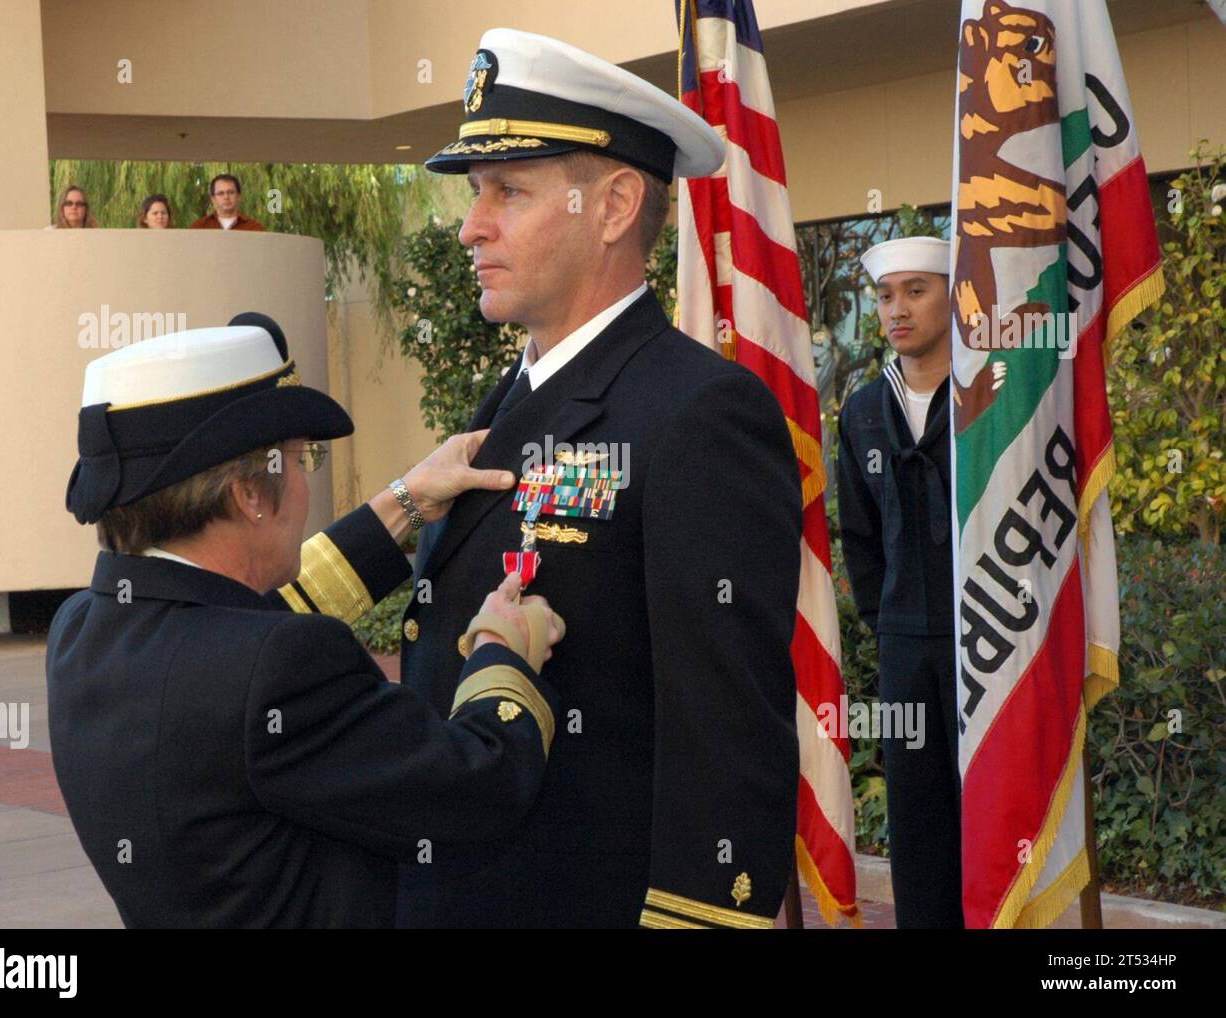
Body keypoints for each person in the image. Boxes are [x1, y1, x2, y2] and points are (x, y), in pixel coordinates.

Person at [391, 29, 803, 929]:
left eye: (509, 191)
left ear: (614, 206)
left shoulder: (699, 414)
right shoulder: (511, 396)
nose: (472, 225)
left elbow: (726, 733)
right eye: (474, 195)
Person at [47, 312, 565, 928]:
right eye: (299, 462)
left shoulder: (80, 628)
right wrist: (501, 652)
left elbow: (237, 621)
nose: (304, 484)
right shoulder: (275, 668)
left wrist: (406, 502)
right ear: (249, 494)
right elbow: (475, 789)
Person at [835, 235, 963, 928]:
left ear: (953, 293)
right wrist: (887, 618)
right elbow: (858, 533)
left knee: (990, 804)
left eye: (916, 290)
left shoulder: (990, 398)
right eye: (886, 296)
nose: (897, 310)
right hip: (903, 646)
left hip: (988, 631)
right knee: (916, 815)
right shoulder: (859, 413)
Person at [189, 174, 265, 230]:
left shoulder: (254, 228)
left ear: (239, 197)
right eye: (220, 193)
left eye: (231, 192)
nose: (226, 197)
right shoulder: (200, 226)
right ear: (213, 199)